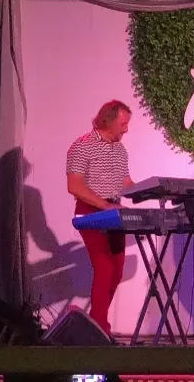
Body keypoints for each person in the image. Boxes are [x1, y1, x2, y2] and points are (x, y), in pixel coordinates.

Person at [66, 100, 134, 338]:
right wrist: (105, 205)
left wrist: (154, 190)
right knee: (104, 268)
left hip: (114, 212)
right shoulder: (82, 146)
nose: (126, 129)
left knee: (116, 271)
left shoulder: (120, 150)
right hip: (91, 210)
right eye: (123, 124)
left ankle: (96, 325)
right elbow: (74, 186)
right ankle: (99, 330)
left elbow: (126, 184)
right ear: (109, 120)